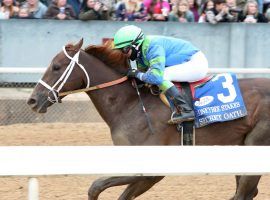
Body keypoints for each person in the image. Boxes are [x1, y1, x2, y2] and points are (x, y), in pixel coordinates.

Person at [113, 25, 209, 124]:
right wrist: (137, 76)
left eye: (124, 50)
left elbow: (156, 77)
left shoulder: (153, 47)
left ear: (135, 45)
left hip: (196, 63)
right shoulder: (140, 54)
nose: (123, 54)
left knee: (163, 76)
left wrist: (137, 74)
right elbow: (143, 75)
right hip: (184, 62)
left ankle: (186, 110)